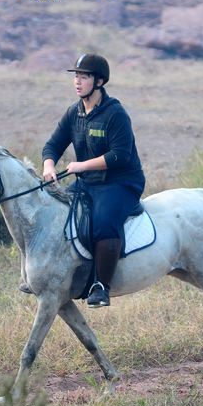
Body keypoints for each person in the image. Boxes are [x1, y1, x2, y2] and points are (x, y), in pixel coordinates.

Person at [41, 53, 146, 308]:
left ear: (99, 81)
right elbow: (52, 145)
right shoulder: (73, 113)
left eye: (84, 77)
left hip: (121, 182)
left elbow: (120, 155)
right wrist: (49, 166)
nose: (77, 81)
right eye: (76, 76)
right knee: (59, 213)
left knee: (103, 223)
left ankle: (101, 286)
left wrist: (81, 165)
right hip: (89, 182)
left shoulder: (115, 114)